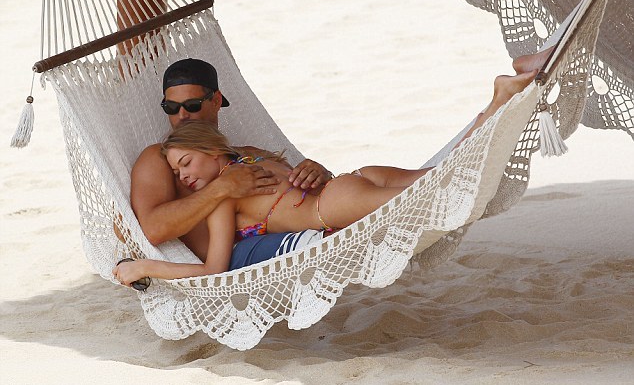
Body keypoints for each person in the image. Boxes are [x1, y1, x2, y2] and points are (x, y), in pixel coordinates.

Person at [114, 69, 538, 285]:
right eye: (171, 109)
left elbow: (213, 270)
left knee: (444, 183)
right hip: (352, 184)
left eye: (186, 164)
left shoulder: (229, 186)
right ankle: (498, 103)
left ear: (211, 148)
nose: (182, 176)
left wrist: (148, 267)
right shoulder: (248, 161)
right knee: (444, 174)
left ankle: (500, 103)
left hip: (333, 203)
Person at [129, 58, 333, 265]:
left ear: (216, 101)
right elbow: (152, 229)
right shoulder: (159, 158)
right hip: (235, 263)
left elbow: (299, 198)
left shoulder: (248, 154)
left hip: (302, 238)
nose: (182, 115)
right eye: (171, 107)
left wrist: (320, 175)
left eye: (192, 105)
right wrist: (222, 188)